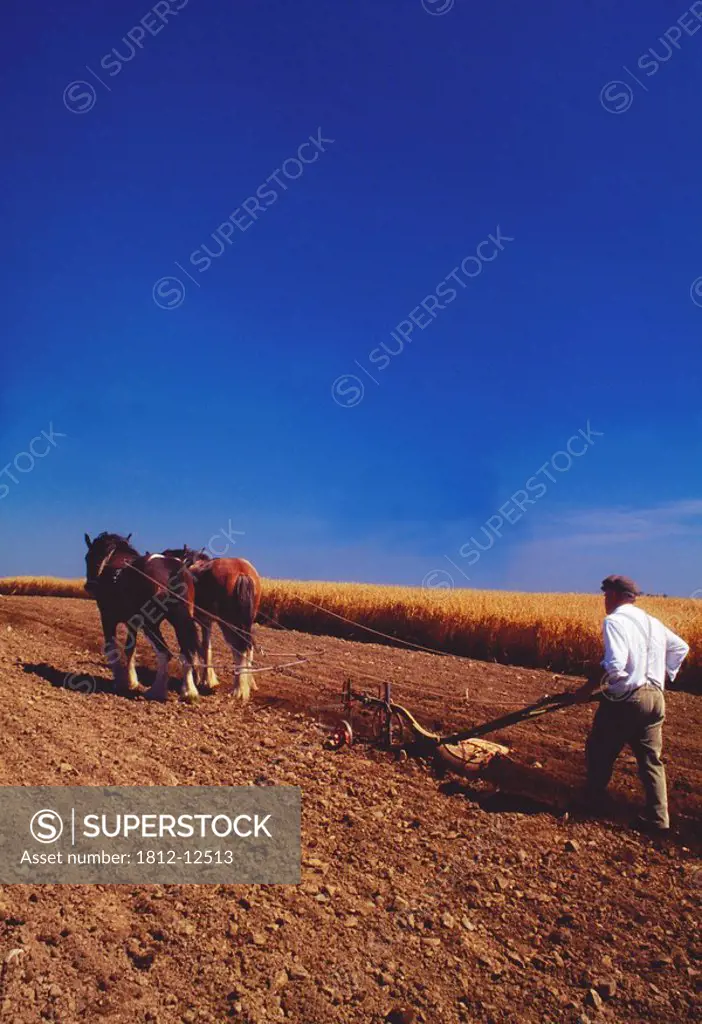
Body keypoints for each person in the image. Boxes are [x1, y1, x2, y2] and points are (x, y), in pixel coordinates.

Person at [573, 575, 689, 834]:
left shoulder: (614, 621)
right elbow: (681, 647)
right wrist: (663, 675)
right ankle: (659, 819)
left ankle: (593, 801)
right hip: (656, 699)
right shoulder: (653, 623)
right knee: (651, 759)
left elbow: (614, 664)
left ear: (614, 595)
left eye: (606, 595)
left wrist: (590, 689)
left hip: (627, 699)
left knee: (600, 748)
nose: (604, 600)